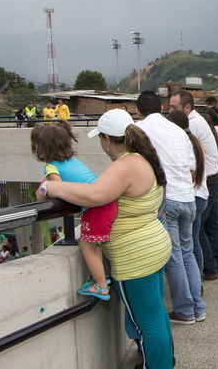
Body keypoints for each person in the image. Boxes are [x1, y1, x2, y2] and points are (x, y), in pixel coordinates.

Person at [36, 109, 174, 369]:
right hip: (153, 246)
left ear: (107, 139)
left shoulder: (125, 165)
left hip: (135, 258)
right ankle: (167, 361)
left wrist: (50, 187)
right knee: (157, 318)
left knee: (148, 325)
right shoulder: (142, 157)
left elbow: (95, 195)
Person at [134, 91, 206, 325]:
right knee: (187, 253)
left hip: (169, 199)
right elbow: (192, 166)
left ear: (138, 111)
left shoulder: (140, 129)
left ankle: (185, 311)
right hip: (188, 198)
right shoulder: (177, 130)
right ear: (162, 108)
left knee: (173, 257)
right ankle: (198, 307)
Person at [31, 121, 118, 300]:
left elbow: (59, 188)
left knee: (86, 246)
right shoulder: (73, 162)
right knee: (94, 245)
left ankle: (101, 287)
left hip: (96, 209)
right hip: (107, 204)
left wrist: (43, 191)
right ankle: (102, 278)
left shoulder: (51, 167)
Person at [168, 91, 218, 281]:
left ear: (187, 108)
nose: (170, 112)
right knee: (210, 225)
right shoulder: (197, 120)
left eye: (173, 108)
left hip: (204, 180)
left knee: (198, 231)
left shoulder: (189, 125)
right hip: (212, 177)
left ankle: (208, 269)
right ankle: (216, 266)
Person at [167, 109, 208, 285]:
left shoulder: (182, 143)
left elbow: (191, 172)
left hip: (190, 196)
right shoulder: (195, 142)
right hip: (199, 195)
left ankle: (194, 284)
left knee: (186, 248)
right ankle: (197, 282)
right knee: (193, 243)